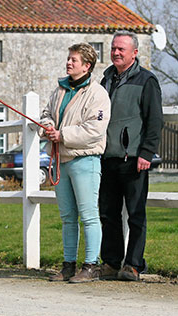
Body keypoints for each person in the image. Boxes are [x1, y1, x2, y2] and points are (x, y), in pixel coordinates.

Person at [39, 43, 111, 283]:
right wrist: (48, 126)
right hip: (62, 160)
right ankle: (68, 264)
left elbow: (95, 129)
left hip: (84, 159)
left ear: (86, 66)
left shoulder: (97, 94)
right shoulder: (59, 90)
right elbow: (46, 113)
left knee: (89, 214)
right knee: (68, 216)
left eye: (74, 60)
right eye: (68, 59)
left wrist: (63, 135)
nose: (69, 63)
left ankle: (91, 265)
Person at [98, 30, 163, 281]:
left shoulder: (147, 80)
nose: (115, 52)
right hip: (107, 158)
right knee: (108, 213)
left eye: (121, 49)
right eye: (114, 48)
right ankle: (112, 263)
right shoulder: (105, 80)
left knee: (136, 214)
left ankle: (134, 265)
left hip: (134, 158)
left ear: (134, 53)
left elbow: (154, 120)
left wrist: (146, 152)